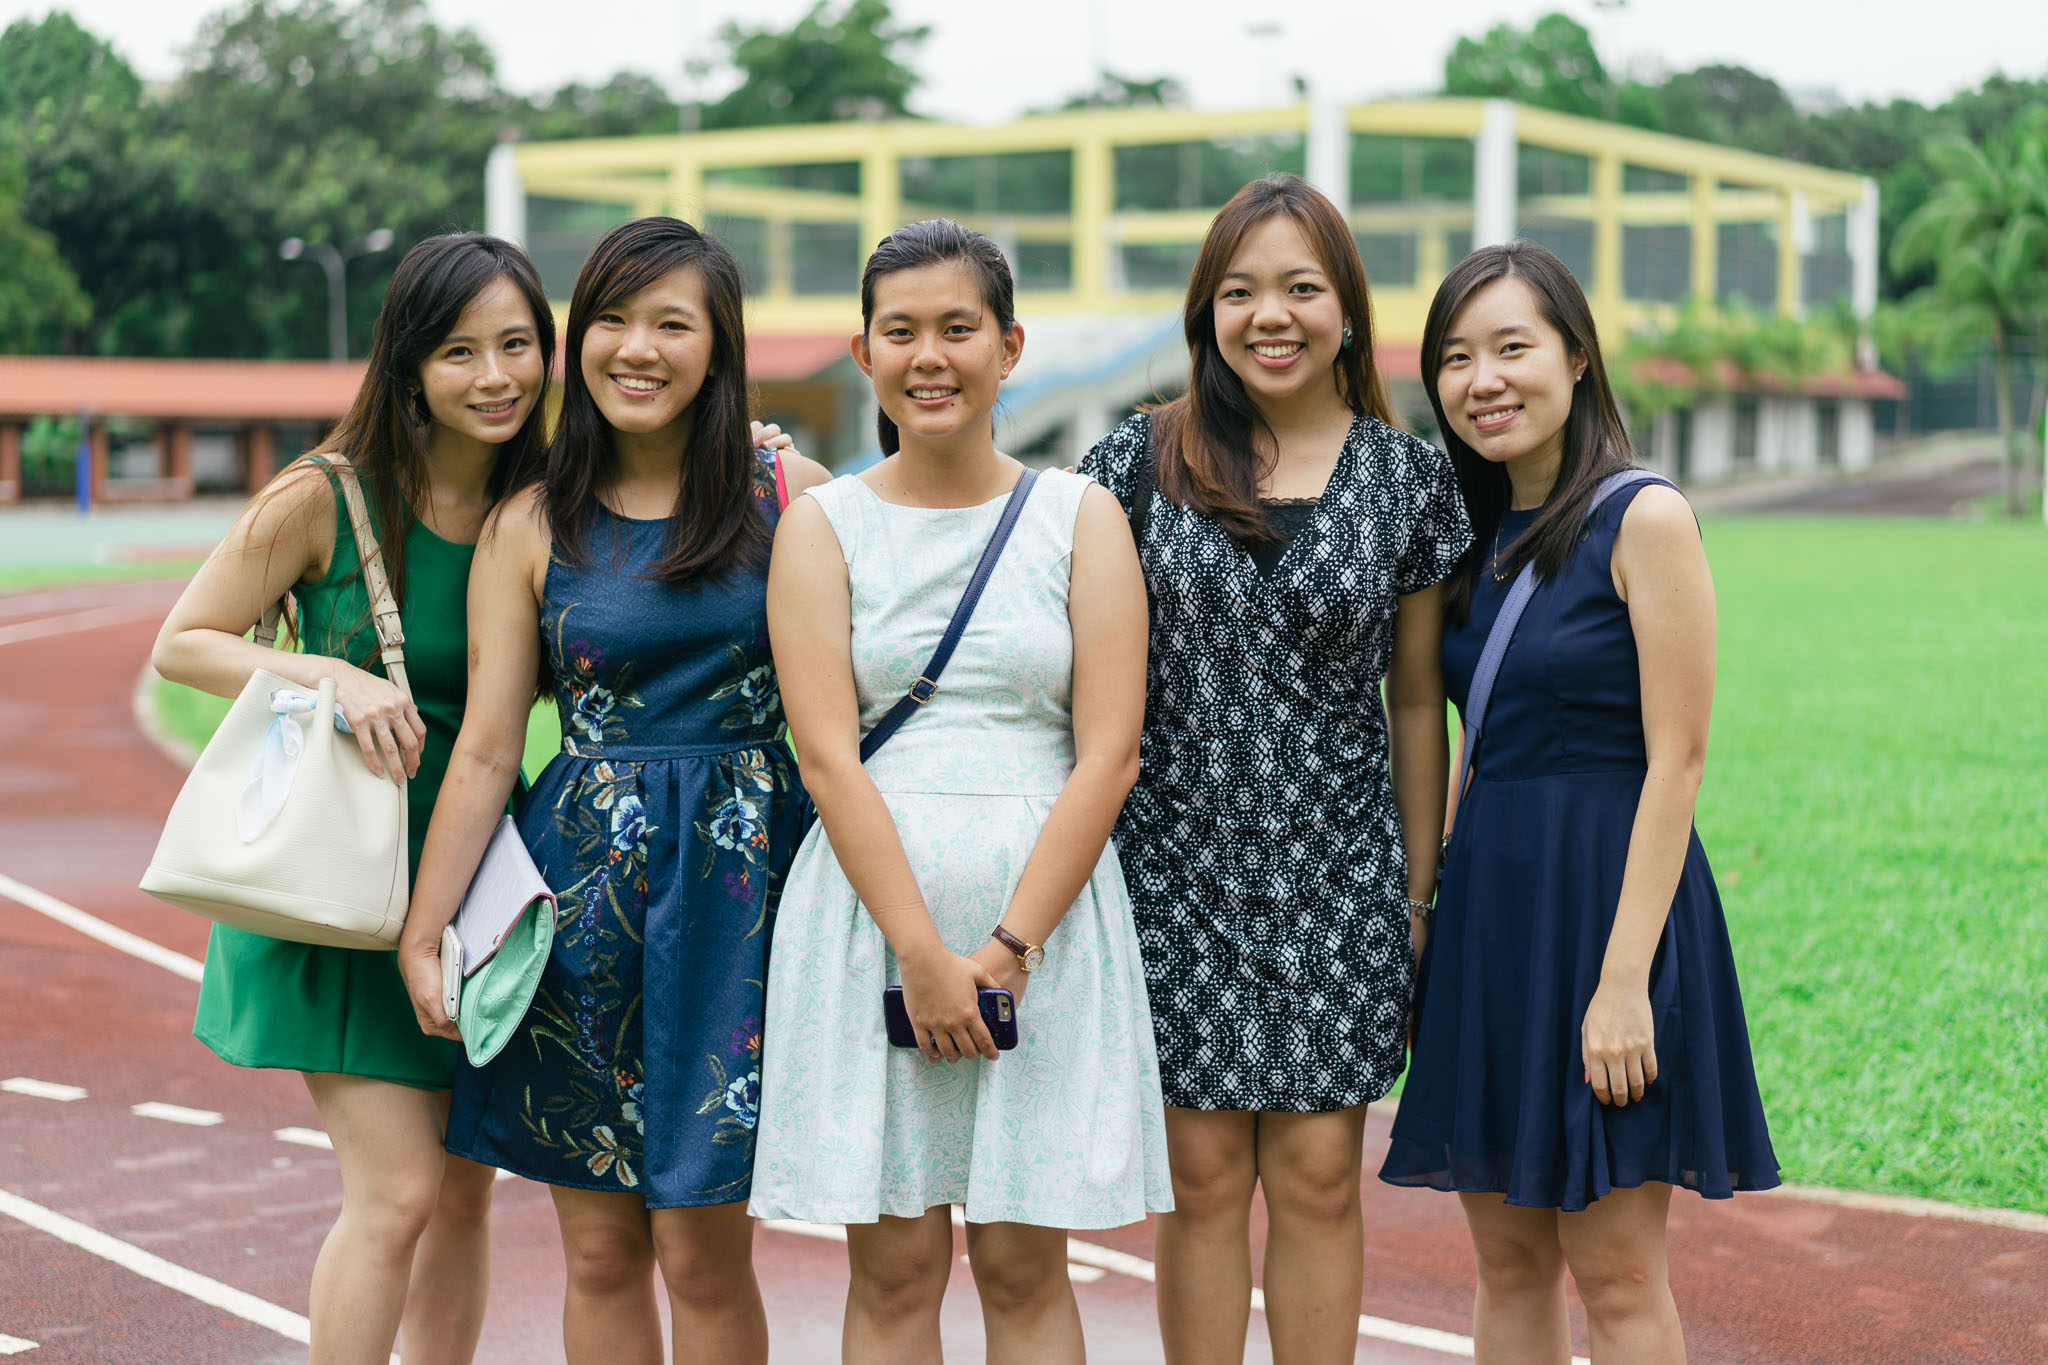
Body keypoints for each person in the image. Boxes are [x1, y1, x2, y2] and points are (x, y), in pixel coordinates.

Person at [394, 216, 828, 1365]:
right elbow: (487, 750)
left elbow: (855, 712)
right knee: (596, 1254)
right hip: (583, 908)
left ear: (718, 346)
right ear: (578, 338)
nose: (638, 348)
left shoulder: (789, 492)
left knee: (703, 1252)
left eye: (671, 324)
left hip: (745, 906)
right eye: (613, 320)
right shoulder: (530, 521)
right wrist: (428, 931)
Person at [749, 218, 1172, 1365]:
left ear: (1009, 345)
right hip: (869, 928)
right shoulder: (821, 526)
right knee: (892, 1270)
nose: (928, 357)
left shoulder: (1080, 517)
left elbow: (1107, 753)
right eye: (900, 332)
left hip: (1046, 930)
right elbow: (825, 756)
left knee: (1026, 1266)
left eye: (956, 328)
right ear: (863, 353)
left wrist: (1007, 947)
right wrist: (921, 954)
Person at [1078, 173, 1471, 1364]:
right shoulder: (1132, 461)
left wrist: (1414, 894)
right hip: (1169, 872)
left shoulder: (1407, 479)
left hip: (1339, 875)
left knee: (1316, 1176)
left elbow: (1415, 699)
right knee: (1197, 1177)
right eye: (1240, 291)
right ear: (1206, 312)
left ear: (1344, 310)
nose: (1271, 316)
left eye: (1300, 288)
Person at [152, 232, 555, 1365]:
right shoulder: (326, 495)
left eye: (516, 345)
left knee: (464, 1195)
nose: (494, 376)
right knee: (398, 1193)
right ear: (409, 362)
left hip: (475, 879)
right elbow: (184, 643)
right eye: (459, 351)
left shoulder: (550, 501)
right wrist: (327, 673)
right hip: (344, 878)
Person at [1379, 241, 1781, 1364]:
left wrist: (1620, 983)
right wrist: (1427, 925)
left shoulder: (1643, 517)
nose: (1482, 381)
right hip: (1494, 915)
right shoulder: (1469, 539)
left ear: (1577, 356)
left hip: (1612, 910)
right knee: (1506, 1264)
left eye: (1511, 347)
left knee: (1615, 1273)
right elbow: (1467, 735)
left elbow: (1678, 761)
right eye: (1456, 358)